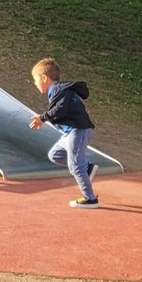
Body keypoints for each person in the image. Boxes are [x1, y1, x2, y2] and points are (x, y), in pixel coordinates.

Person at [28, 59, 98, 207]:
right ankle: (88, 168)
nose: (34, 84)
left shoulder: (59, 90)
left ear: (44, 78)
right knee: (55, 155)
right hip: (70, 132)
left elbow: (60, 109)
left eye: (35, 80)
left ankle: (90, 199)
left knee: (75, 166)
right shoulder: (59, 90)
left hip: (77, 130)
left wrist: (42, 118)